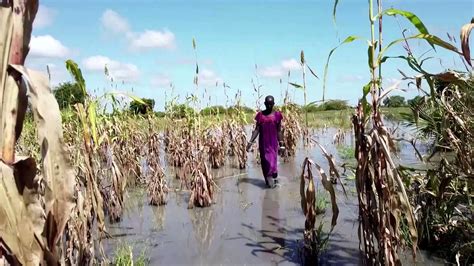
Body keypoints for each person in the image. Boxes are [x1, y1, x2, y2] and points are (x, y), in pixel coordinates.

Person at [246, 95, 285, 188]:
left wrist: (282, 144)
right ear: (265, 104)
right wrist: (250, 142)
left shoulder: (277, 115)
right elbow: (256, 130)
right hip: (263, 143)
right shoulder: (260, 115)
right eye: (267, 104)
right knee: (265, 162)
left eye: (271, 104)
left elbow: (279, 130)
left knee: (272, 162)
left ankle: (273, 176)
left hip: (273, 143)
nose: (269, 106)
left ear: (274, 104)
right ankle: (268, 181)